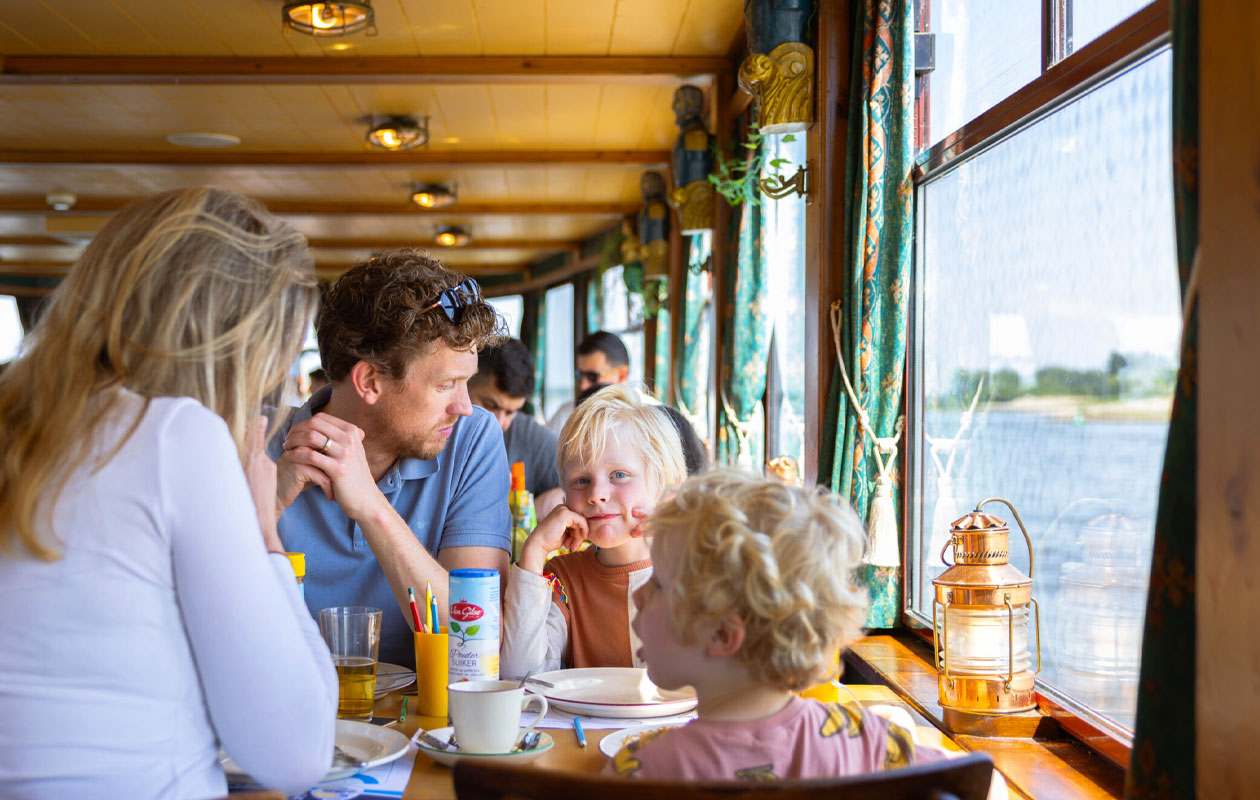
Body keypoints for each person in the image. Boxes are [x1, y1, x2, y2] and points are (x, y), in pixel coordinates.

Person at [0, 187, 337, 798]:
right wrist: (264, 533)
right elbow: (296, 753)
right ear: (226, 346)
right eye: (271, 362)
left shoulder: (19, 423)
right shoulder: (173, 435)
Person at [608, 469, 940, 781]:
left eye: (658, 584)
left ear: (722, 634)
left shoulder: (641, 769)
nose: (638, 595)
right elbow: (971, 781)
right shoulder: (871, 745)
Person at [270, 249, 510, 668]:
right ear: (369, 380)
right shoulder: (259, 441)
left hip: (427, 707)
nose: (464, 406)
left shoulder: (472, 439)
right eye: (446, 385)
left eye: (466, 382)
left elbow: (477, 643)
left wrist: (371, 506)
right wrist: (267, 503)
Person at [501, 385, 686, 679]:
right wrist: (534, 551)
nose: (596, 494)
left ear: (668, 486)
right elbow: (520, 677)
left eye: (619, 475)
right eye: (581, 480)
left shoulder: (695, 570)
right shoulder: (563, 578)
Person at [468, 338, 561, 496]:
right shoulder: (433, 435)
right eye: (490, 406)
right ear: (465, 383)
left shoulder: (532, 439)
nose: (499, 423)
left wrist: (555, 498)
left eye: (510, 412)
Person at [544, 330, 633, 435]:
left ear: (622, 375)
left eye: (592, 376)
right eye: (580, 375)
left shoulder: (645, 417)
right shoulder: (566, 414)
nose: (583, 386)